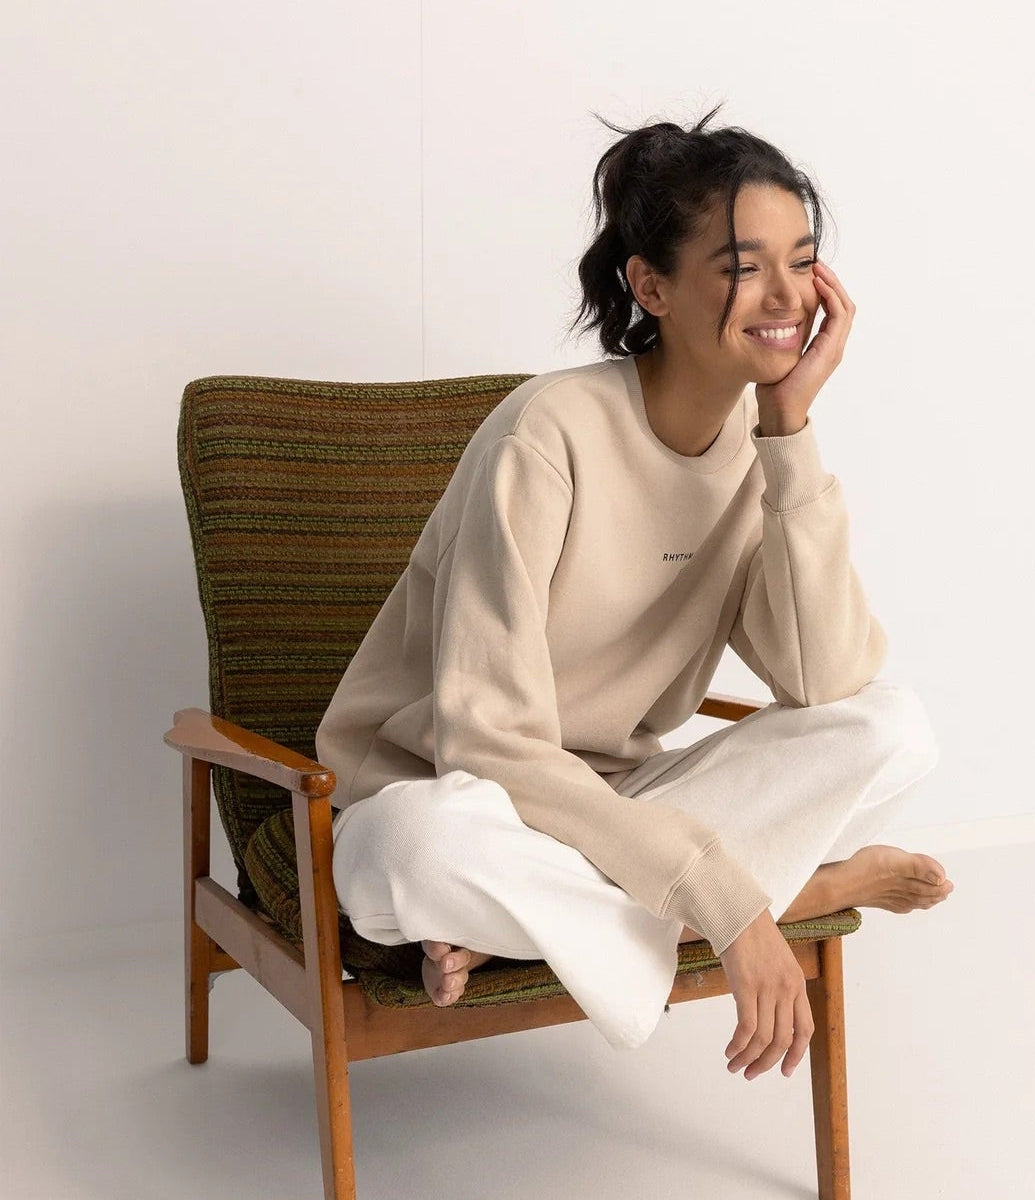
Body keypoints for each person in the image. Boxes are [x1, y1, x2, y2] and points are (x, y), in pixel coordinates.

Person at [314, 104, 953, 1082]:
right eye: (744, 266)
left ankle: (535, 923)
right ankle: (796, 890)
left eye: (802, 260)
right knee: (419, 847)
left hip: (617, 802)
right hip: (453, 795)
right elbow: (487, 741)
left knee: (893, 728)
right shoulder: (548, 434)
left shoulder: (760, 449)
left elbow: (824, 679)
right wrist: (725, 900)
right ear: (651, 285)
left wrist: (788, 430)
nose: (787, 295)